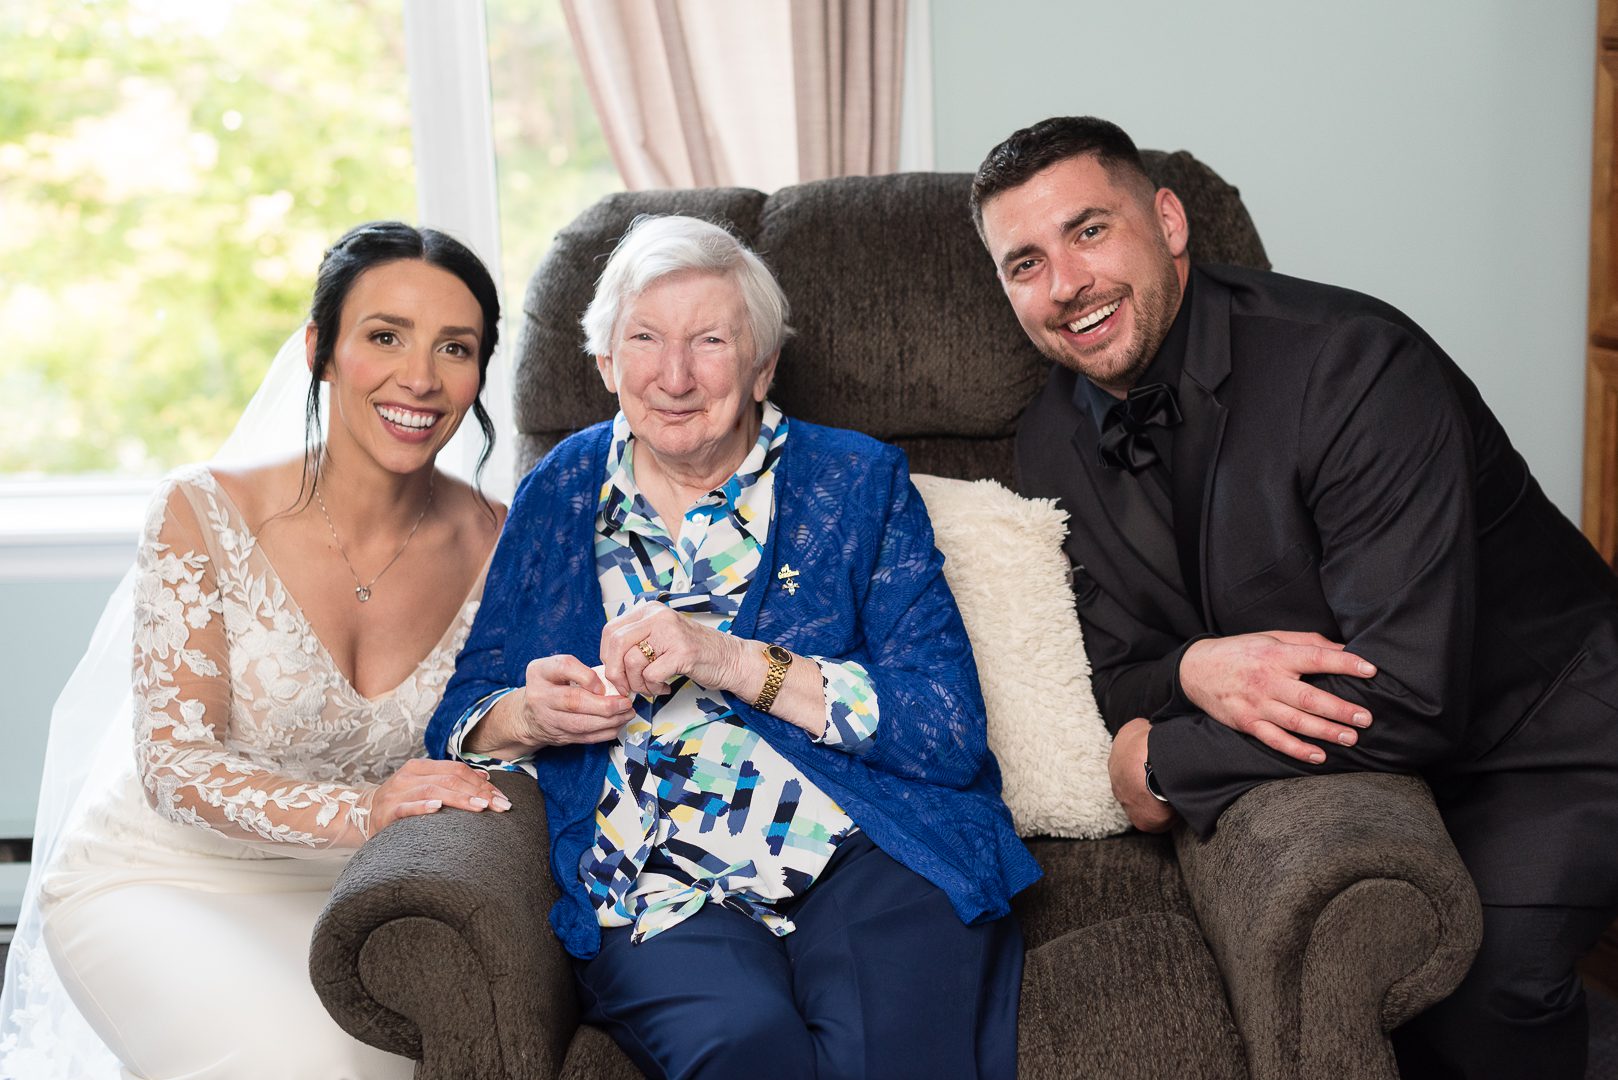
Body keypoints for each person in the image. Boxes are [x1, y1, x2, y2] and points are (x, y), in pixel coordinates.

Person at [971, 114, 1618, 1080]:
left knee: (1481, 991)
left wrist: (1163, 761)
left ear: (1169, 222)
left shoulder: (1354, 365)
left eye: (1090, 231)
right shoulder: (1050, 439)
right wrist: (1195, 666)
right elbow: (1115, 674)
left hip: (1544, 725)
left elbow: (1413, 692)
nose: (1065, 284)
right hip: (1371, 762)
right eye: (1025, 264)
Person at [425, 213, 1039, 1080]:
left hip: (865, 847)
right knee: (744, 1050)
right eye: (645, 338)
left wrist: (728, 659)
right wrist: (528, 714)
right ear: (604, 363)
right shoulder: (558, 489)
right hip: (659, 876)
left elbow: (946, 727)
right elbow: (462, 711)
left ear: (762, 367)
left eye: (710, 340)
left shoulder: (857, 481)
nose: (674, 375)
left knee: (888, 1055)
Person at [1, 221, 511, 1080]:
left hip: (360, 903)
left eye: (454, 348)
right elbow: (175, 766)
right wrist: (367, 810)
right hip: (161, 876)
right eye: (385, 336)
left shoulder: (499, 541)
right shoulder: (200, 512)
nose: (420, 378)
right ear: (320, 351)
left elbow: (501, 726)